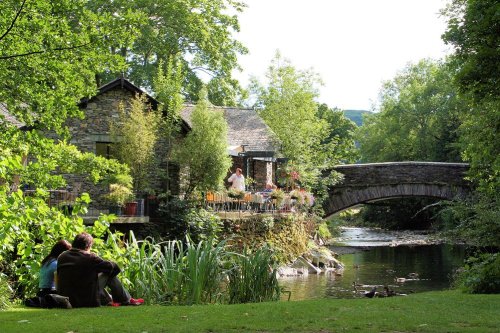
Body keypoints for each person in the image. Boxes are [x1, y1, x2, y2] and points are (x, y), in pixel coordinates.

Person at [57, 232, 143, 307]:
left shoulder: (62, 256)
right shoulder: (89, 257)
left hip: (66, 299)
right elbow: (114, 268)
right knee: (108, 273)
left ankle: (111, 300)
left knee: (93, 277)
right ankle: (126, 300)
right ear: (88, 246)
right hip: (85, 300)